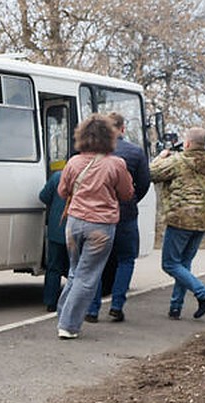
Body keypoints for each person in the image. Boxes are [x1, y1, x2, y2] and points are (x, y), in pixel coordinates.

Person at [55, 114, 133, 339]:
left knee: (74, 272)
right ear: (110, 138)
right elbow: (127, 193)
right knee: (87, 276)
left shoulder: (73, 162)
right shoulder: (116, 164)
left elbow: (62, 191)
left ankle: (63, 315)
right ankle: (68, 325)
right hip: (100, 225)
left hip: (74, 222)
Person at [84, 111, 151, 322]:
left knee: (95, 262)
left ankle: (92, 310)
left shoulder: (92, 152)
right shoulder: (136, 152)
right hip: (126, 215)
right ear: (122, 129)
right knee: (126, 259)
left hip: (97, 214)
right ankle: (117, 305)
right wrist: (129, 200)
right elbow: (144, 183)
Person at [151, 126, 205, 319]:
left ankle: (204, 295)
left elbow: (151, 173)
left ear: (187, 143)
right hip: (202, 220)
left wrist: (162, 156)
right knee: (184, 263)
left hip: (181, 218)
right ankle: (175, 307)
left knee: (169, 264)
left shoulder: (178, 161)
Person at [38, 168, 68, 312]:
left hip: (57, 228)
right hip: (79, 229)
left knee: (54, 267)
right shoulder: (91, 176)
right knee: (78, 268)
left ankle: (51, 302)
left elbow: (43, 196)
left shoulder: (57, 176)